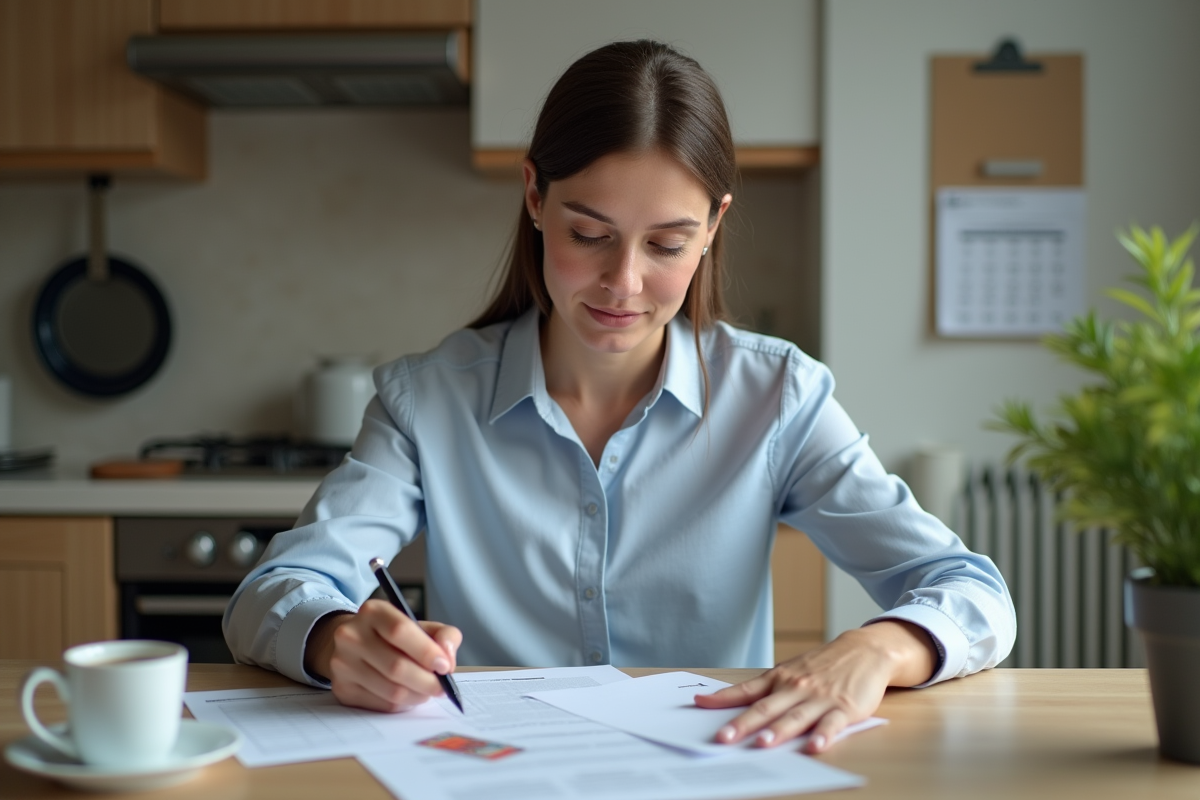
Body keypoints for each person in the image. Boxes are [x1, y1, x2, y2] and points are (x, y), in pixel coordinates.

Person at [225, 39, 1015, 754]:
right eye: (589, 234)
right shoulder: (426, 401)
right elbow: (269, 596)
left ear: (713, 227)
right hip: (500, 775)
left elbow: (972, 592)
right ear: (535, 196)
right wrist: (336, 638)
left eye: (667, 244)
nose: (624, 283)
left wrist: (876, 648)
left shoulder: (778, 397)